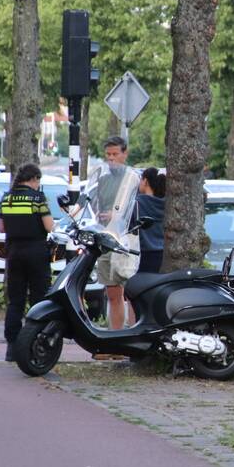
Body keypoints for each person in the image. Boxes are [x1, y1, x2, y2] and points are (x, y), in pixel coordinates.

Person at [0, 163, 54, 361]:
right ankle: (34, 343)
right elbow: (49, 226)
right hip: (36, 252)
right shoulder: (38, 198)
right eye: (38, 181)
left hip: (14, 253)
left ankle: (12, 347)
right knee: (39, 299)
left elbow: (1, 228)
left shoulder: (7, 198)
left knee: (16, 301)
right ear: (34, 179)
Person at [94, 136, 138, 329]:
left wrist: (119, 214)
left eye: (115, 154)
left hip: (127, 242)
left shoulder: (133, 178)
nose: (111, 158)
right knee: (112, 293)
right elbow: (97, 204)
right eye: (108, 154)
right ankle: (115, 335)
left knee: (132, 294)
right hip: (107, 239)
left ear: (124, 154)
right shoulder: (102, 179)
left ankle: (133, 335)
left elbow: (136, 207)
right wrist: (99, 215)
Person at [136, 167, 166, 274]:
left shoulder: (138, 203)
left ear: (145, 181)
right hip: (164, 253)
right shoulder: (167, 204)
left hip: (142, 254)